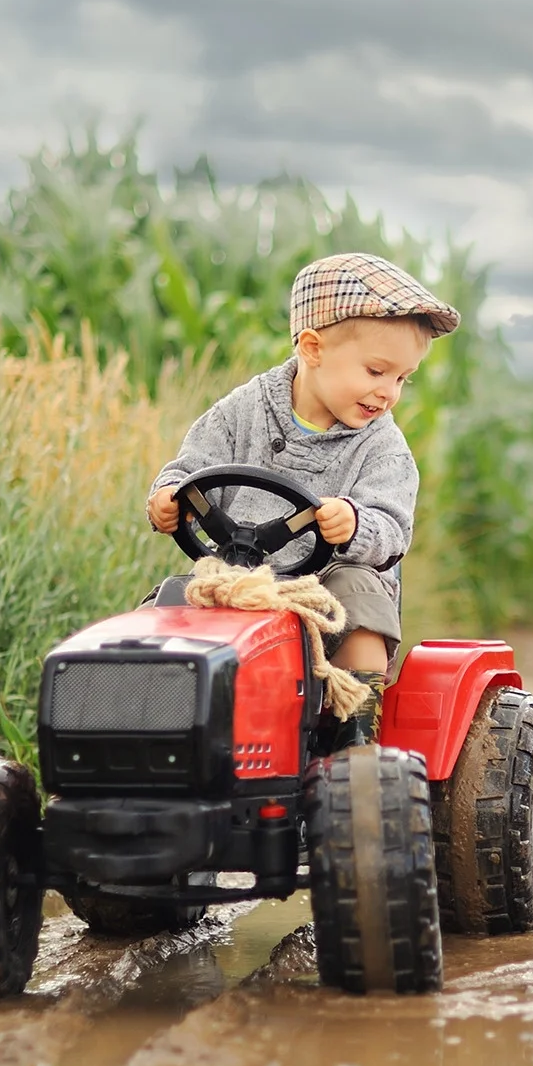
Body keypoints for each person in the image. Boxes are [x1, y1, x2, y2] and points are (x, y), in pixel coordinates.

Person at [146, 251, 461, 745]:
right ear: (313, 348)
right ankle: (158, 731)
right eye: (377, 371)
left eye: (403, 378)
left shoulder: (381, 445)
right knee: (163, 608)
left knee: (358, 597)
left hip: (327, 587)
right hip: (238, 576)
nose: (389, 393)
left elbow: (393, 528)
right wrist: (168, 499)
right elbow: (190, 469)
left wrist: (355, 524)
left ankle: (355, 737)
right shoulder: (242, 411)